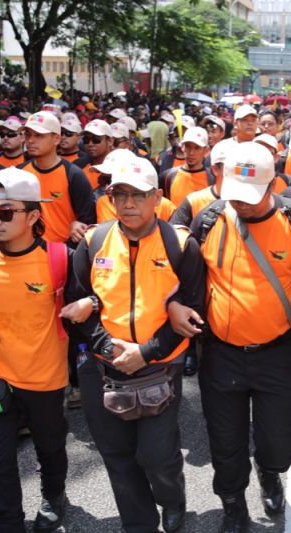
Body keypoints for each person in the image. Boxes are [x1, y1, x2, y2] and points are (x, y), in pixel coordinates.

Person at [189, 143, 291, 532]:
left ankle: (269, 470)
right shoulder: (209, 220)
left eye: (252, 196)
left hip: (278, 353)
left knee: (278, 441)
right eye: (234, 195)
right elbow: (188, 282)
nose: (241, 204)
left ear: (273, 184)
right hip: (222, 354)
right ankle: (233, 506)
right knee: (225, 444)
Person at [72, 157, 204, 533]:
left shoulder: (181, 244)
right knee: (117, 455)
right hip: (103, 365)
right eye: (120, 194)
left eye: (139, 195)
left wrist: (144, 353)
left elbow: (193, 311)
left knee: (157, 455)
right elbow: (79, 305)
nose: (129, 204)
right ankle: (139, 523)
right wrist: (110, 348)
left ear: (157, 197)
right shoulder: (94, 242)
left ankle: (172, 500)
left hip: (161, 365)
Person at [0, 167, 73, 532]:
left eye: (6, 212)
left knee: (50, 448)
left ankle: (54, 494)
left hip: (44, 378)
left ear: (33, 216)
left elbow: (84, 307)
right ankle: (6, 522)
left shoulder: (60, 259)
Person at [19, 111, 95, 245]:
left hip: (63, 253)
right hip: (27, 253)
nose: (30, 140)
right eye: (28, 135)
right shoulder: (19, 173)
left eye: (39, 135)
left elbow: (87, 221)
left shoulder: (73, 175)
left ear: (56, 139)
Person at [161, 127, 213, 207]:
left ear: (206, 150)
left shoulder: (213, 178)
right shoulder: (167, 176)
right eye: (188, 146)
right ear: (182, 147)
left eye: (197, 148)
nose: (191, 153)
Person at [81, 119, 114, 190]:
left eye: (96, 139)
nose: (90, 144)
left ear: (110, 141)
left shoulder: (122, 169)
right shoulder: (80, 170)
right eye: (86, 140)